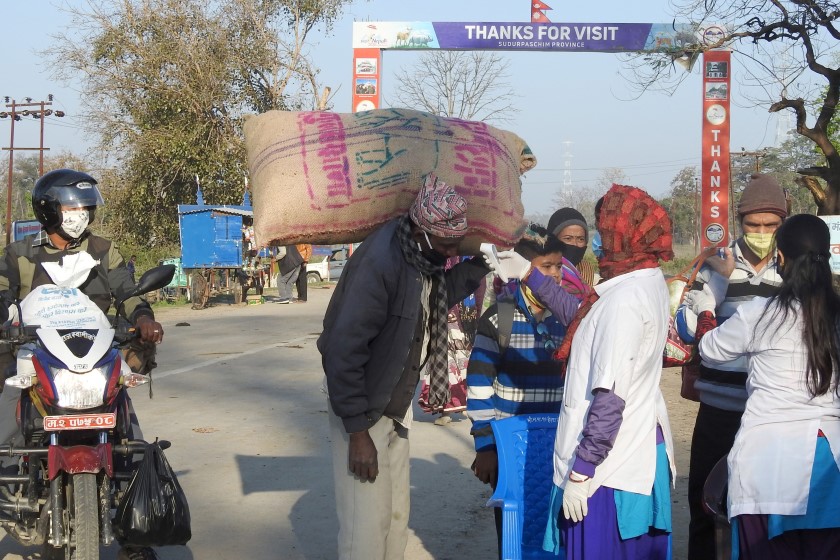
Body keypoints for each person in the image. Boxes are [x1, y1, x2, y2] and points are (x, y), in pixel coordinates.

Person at [318, 173, 490, 560]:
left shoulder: (419, 258)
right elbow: (342, 352)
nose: (449, 254)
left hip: (394, 405)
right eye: (446, 245)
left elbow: (438, 295)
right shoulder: (380, 264)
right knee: (365, 526)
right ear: (420, 231)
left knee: (395, 520)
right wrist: (357, 433)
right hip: (364, 408)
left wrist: (481, 264)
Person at [0, 169, 164, 560]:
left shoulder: (104, 251)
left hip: (95, 357)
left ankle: (136, 535)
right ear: (49, 210)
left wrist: (143, 318)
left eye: (86, 207)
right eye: (73, 207)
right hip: (36, 358)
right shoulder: (19, 253)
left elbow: (129, 291)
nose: (81, 214)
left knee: (130, 438)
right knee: (6, 431)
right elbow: (2, 292)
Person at [539, 184, 676, 559]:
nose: (599, 243)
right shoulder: (645, 281)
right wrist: (529, 275)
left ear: (621, 234)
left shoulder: (625, 302)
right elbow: (583, 319)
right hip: (636, 450)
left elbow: (610, 395)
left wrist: (582, 473)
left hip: (609, 472)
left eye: (602, 233)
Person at [693, 214, 840, 558]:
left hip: (768, 464)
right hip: (830, 466)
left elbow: (709, 349)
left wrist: (709, 303)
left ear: (782, 259)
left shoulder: (760, 314)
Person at [676, 173, 787, 560]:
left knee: (762, 512)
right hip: (719, 412)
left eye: (771, 226)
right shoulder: (717, 264)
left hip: (769, 415)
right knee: (706, 508)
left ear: (783, 225)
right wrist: (717, 289)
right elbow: (687, 329)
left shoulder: (792, 270)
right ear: (739, 223)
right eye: (753, 225)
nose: (761, 232)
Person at [467, 224, 581, 555]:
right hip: (510, 444)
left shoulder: (568, 317)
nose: (556, 275)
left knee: (558, 528)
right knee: (514, 528)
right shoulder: (500, 316)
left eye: (559, 267)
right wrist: (485, 444)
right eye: (547, 267)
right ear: (525, 271)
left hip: (559, 442)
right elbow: (479, 384)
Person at [547, 207, 596, 287]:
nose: (575, 244)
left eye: (580, 239)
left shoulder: (586, 270)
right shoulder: (539, 272)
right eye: (568, 238)